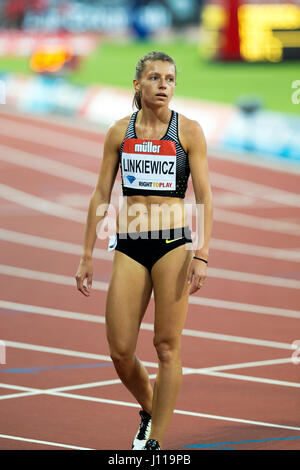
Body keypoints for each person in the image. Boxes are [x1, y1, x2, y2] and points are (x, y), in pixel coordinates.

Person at [75, 51, 213, 450]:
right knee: (120, 350)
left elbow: (204, 196)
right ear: (138, 84)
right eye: (154, 78)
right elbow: (102, 192)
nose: (164, 85)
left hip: (173, 245)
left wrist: (202, 254)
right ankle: (152, 408)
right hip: (130, 245)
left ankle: (154, 444)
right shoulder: (120, 132)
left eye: (170, 78)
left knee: (167, 347)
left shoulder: (188, 131)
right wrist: (86, 253)